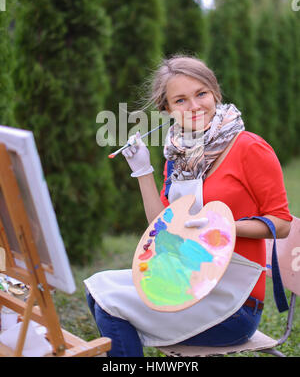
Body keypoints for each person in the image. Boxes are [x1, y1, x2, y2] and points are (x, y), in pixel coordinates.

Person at [84, 55, 292, 357]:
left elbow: (282, 224)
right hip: (185, 280)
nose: (194, 107)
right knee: (98, 288)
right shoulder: (179, 156)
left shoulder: (250, 147)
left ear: (215, 93)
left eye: (201, 94)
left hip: (234, 303)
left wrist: (223, 226)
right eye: (180, 100)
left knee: (110, 305)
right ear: (167, 110)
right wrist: (142, 170)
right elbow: (161, 227)